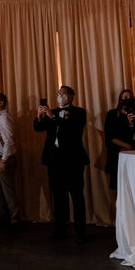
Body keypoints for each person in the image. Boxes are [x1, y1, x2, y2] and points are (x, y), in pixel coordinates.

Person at [35, 86, 89, 242]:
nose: (59, 96)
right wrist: (39, 116)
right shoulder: (52, 111)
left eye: (62, 94)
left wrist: (52, 117)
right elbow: (38, 127)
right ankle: (60, 228)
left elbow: (71, 130)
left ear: (71, 96)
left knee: (77, 195)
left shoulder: (79, 112)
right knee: (58, 196)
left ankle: (80, 231)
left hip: (73, 160)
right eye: (57, 93)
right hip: (54, 160)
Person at [0, 92, 20, 226]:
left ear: (1, 103)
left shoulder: (4, 118)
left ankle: (15, 217)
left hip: (4, 158)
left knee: (7, 189)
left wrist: (4, 160)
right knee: (0, 190)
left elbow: (8, 141)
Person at [103, 90, 135, 192]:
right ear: (120, 99)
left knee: (132, 186)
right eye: (125, 97)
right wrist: (128, 146)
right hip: (116, 154)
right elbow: (109, 136)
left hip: (132, 155)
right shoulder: (112, 114)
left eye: (130, 97)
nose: (128, 99)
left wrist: (131, 124)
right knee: (117, 186)